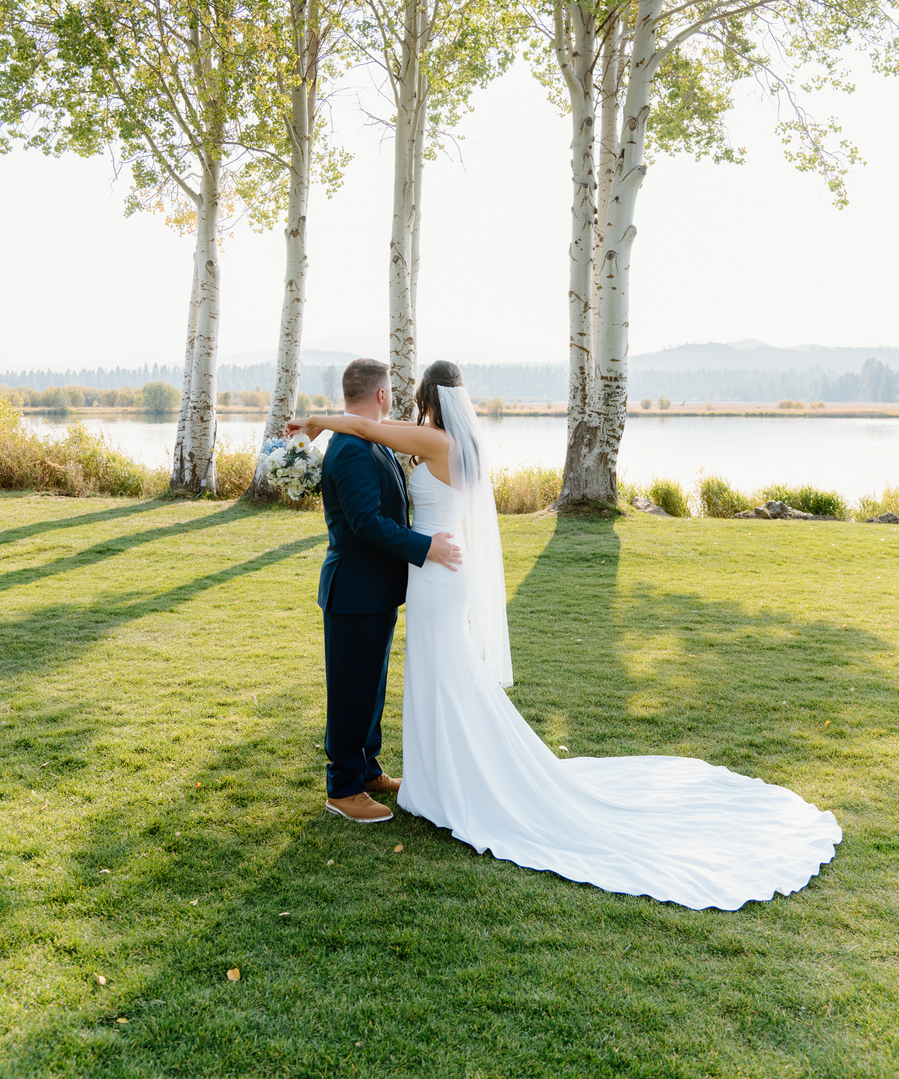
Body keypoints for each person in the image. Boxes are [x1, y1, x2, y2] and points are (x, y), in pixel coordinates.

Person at [288, 359, 841, 909]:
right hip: (431, 575)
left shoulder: (430, 441)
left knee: (435, 677)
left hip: (435, 571)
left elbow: (365, 431)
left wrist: (317, 420)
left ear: (427, 398)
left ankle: (419, 779)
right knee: (427, 676)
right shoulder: (456, 443)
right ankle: (389, 777)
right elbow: (368, 486)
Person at [308, 357, 461, 824]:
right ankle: (344, 788)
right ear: (381, 395)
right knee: (351, 689)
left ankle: (368, 769)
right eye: (391, 392)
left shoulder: (368, 439)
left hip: (375, 589)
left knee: (370, 686)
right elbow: (366, 523)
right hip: (354, 589)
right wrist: (425, 547)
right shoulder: (353, 446)